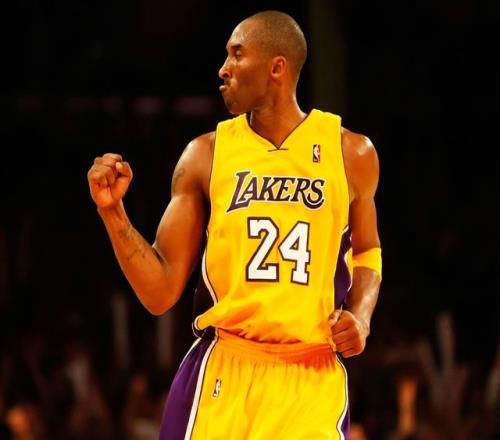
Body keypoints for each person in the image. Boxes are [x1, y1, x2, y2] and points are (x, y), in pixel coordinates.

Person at [87, 10, 381, 440]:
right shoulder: (205, 155)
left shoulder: (351, 152)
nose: (223, 69)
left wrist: (362, 317)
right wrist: (113, 213)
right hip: (225, 368)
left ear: (277, 67)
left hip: (312, 377)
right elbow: (159, 292)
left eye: (237, 54)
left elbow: (368, 250)